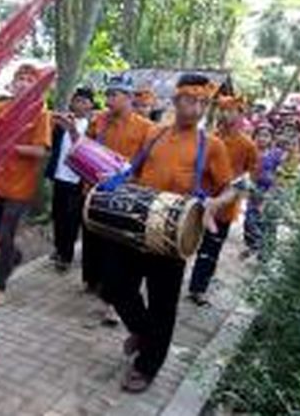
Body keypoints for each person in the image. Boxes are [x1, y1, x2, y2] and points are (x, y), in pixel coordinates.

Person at [102, 73, 234, 393]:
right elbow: (134, 172)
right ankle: (144, 332)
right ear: (176, 101)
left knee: (163, 303)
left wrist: (215, 203)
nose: (198, 107)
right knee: (116, 286)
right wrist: (113, 181)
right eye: (192, 100)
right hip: (139, 224)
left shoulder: (211, 145)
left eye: (204, 102)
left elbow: (229, 189)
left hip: (174, 235)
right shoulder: (155, 134)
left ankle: (147, 366)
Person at [82, 74, 154, 325]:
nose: (109, 99)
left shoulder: (146, 128)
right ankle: (106, 296)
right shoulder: (99, 120)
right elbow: (85, 149)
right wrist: (71, 130)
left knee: (122, 251)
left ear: (129, 97)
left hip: (128, 197)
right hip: (99, 193)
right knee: (102, 248)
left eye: (114, 94)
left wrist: (128, 180)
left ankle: (114, 305)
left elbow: (149, 164)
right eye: (108, 94)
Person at [187, 95, 258, 306]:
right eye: (222, 110)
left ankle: (198, 289)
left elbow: (250, 177)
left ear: (241, 114)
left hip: (224, 206)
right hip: (199, 199)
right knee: (185, 239)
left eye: (230, 110)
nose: (225, 114)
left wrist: (235, 191)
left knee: (211, 249)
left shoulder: (248, 145)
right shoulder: (208, 137)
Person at [0, 63, 52, 305]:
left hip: (20, 187)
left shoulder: (42, 113)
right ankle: (14, 256)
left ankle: (0, 286)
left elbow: (40, 150)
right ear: (12, 83)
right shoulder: (1, 108)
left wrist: (11, 147)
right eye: (20, 78)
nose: (23, 82)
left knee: (6, 234)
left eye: (29, 79)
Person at [46, 87, 96, 272]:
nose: (79, 104)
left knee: (71, 219)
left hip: (78, 180)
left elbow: (88, 151)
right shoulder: (62, 122)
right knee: (57, 215)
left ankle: (65, 256)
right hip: (60, 176)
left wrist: (73, 130)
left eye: (84, 101)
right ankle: (59, 248)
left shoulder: (93, 126)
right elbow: (52, 144)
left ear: (91, 105)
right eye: (77, 100)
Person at [242, 120, 285, 260]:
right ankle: (254, 245)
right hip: (254, 191)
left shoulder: (276, 154)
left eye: (266, 136)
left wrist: (273, 192)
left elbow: (280, 174)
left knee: (267, 220)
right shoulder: (250, 152)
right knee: (250, 220)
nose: (262, 138)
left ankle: (265, 252)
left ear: (271, 138)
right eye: (259, 135)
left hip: (271, 192)